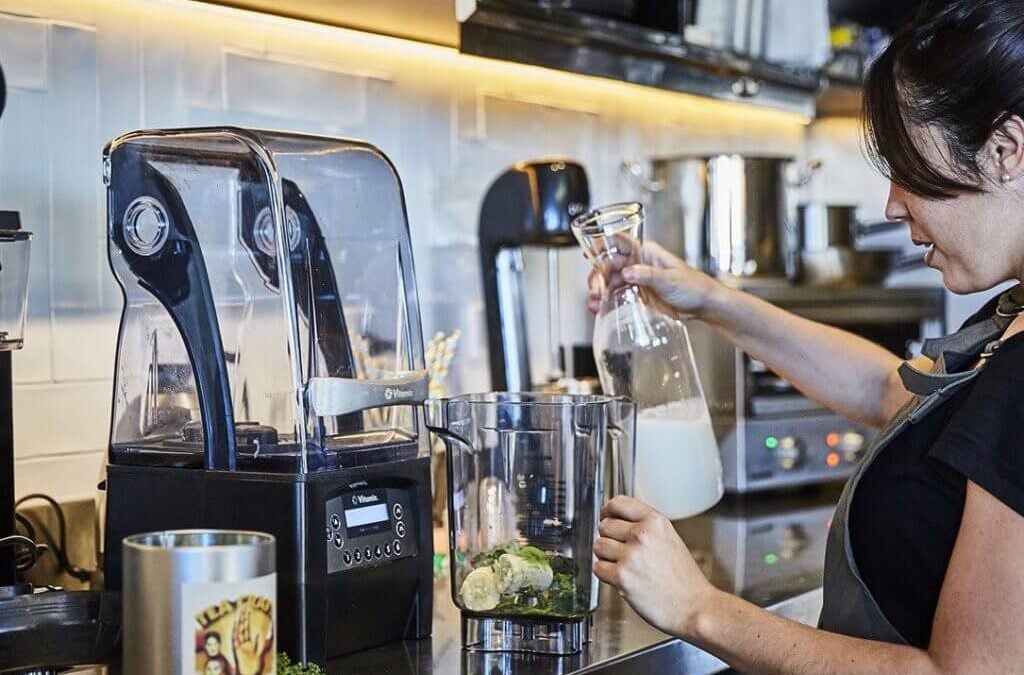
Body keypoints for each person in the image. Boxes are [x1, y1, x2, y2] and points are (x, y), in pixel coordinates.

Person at [590, 1, 1024, 671]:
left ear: (1006, 150)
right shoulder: (1012, 319)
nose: (892, 204)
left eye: (909, 165)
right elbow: (891, 389)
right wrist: (705, 298)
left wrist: (698, 606)